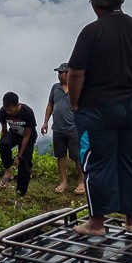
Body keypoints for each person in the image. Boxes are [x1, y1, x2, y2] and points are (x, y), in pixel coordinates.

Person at [68, 0, 132, 236]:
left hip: (99, 109)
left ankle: (96, 223)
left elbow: (76, 73)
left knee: (97, 163)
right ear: (120, 0)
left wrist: (75, 103)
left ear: (95, 4)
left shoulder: (91, 32)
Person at [42, 63, 85, 195]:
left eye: (62, 72)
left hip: (73, 128)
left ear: (68, 74)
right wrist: (45, 122)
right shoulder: (55, 88)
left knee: (76, 156)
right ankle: (63, 181)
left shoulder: (76, 88)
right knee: (60, 156)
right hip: (58, 129)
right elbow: (50, 104)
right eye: (59, 73)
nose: (59, 75)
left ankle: (82, 181)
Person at [0, 92, 38, 196]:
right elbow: (4, 130)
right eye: (6, 109)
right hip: (14, 133)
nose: (8, 112)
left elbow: (27, 136)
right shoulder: (3, 111)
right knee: (4, 144)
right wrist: (3, 146)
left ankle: (20, 192)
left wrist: (19, 156)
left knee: (24, 163)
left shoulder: (27, 112)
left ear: (17, 105)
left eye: (10, 109)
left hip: (28, 137)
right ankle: (8, 171)